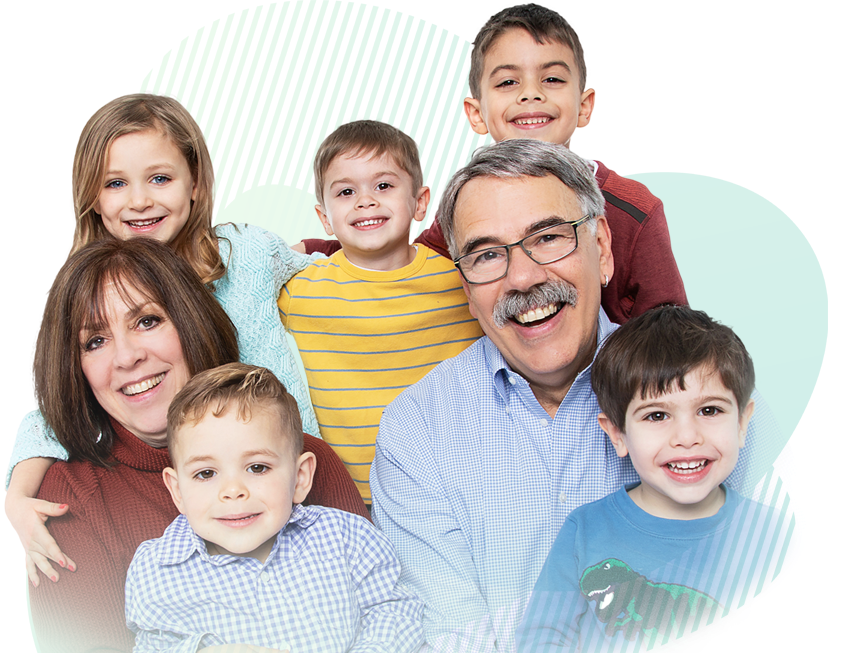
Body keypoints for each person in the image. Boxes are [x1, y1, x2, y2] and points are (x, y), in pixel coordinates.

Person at [369, 138, 805, 653]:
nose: (522, 276)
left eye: (548, 237)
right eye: (486, 255)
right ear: (465, 284)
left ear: (602, 249)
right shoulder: (415, 433)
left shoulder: (717, 404)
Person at [27, 237, 370, 653]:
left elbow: (387, 609)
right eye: (94, 342)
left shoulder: (303, 461)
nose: (126, 356)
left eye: (146, 321)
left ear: (188, 322)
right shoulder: (70, 498)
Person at [6, 92, 324, 585]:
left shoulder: (246, 253)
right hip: (195, 499)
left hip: (293, 479)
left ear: (195, 182)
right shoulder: (89, 295)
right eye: (116, 183)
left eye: (160, 178)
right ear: (91, 197)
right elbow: (55, 406)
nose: (140, 200)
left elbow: (330, 271)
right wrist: (18, 495)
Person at [300, 5, 687, 327]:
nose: (530, 94)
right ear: (476, 114)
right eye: (507, 83)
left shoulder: (633, 209)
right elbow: (407, 258)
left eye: (551, 78)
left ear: (584, 106)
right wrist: (315, 248)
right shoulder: (466, 204)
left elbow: (670, 328)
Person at [515, 306, 803, 653]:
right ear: (617, 434)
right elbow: (543, 635)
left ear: (743, 423)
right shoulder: (587, 529)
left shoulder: (772, 534)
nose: (686, 437)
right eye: (656, 415)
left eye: (710, 411)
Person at [125, 363, 423, 653]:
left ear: (300, 478)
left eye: (257, 468)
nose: (233, 491)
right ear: (177, 490)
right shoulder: (158, 569)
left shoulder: (344, 538)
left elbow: (398, 608)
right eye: (206, 473)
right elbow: (149, 652)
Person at [277, 119, 483, 503]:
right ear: (325, 218)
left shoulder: (461, 281)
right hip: (350, 495)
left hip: (452, 486)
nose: (365, 201)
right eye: (345, 192)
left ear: (420, 203)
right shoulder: (303, 289)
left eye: (383, 186)